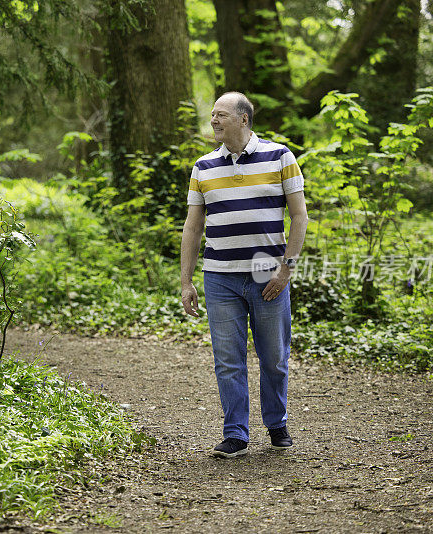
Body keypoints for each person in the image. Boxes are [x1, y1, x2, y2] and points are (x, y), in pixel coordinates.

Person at [180, 92, 308, 458]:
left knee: (274, 358)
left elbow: (299, 216)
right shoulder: (203, 167)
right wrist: (187, 280)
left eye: (221, 115)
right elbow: (192, 227)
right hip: (219, 278)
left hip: (268, 277)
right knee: (227, 359)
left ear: (244, 119)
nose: (214, 121)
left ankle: (276, 423)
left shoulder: (281, 156)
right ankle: (235, 433)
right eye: (212, 116)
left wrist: (287, 269)